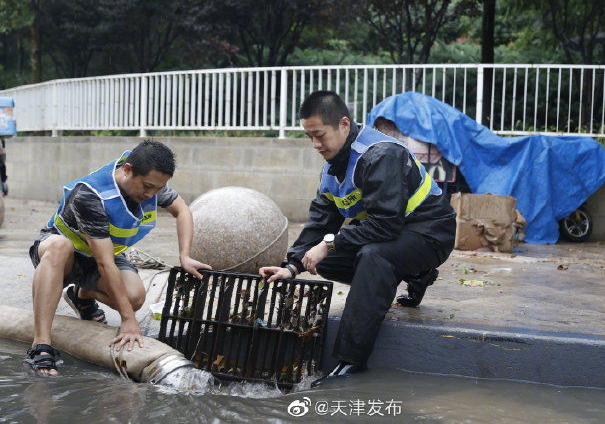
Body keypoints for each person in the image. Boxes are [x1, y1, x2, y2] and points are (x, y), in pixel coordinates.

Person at [259, 91, 456, 387]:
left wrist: (329, 243)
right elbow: (320, 223)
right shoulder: (332, 169)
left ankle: (351, 360)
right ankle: (416, 273)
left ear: (343, 124)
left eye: (320, 135)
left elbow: (385, 225)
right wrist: (292, 266)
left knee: (374, 257)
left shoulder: (380, 154)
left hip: (430, 232)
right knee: (326, 262)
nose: (315, 144)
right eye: (308, 136)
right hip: (395, 235)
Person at [26, 140, 211, 376]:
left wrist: (185, 256)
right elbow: (105, 263)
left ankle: (83, 296)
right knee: (60, 246)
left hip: (100, 257)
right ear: (127, 170)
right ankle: (40, 344)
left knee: (133, 297)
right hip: (61, 257)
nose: (152, 194)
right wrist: (128, 320)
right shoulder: (91, 196)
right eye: (147, 187)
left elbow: (182, 210)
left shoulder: (152, 182)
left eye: (158, 188)